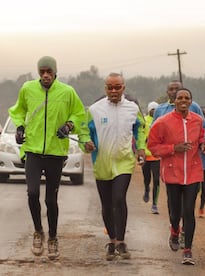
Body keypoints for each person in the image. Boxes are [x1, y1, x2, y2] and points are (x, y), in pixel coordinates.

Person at [8, 56, 88, 260]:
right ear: (38, 72)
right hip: (33, 151)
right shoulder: (27, 89)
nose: (45, 75)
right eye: (42, 71)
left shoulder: (67, 92)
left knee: (50, 199)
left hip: (55, 152)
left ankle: (53, 237)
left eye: (49, 72)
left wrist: (69, 126)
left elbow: (79, 114)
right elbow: (18, 111)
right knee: (32, 193)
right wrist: (19, 127)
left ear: (55, 73)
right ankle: (38, 231)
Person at [82, 72, 146, 261]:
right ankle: (112, 240)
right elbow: (84, 132)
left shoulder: (132, 109)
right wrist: (86, 142)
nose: (114, 91)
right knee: (107, 204)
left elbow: (140, 129)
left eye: (117, 87)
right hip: (101, 162)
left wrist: (141, 148)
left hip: (124, 161)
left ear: (123, 88)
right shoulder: (94, 109)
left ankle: (121, 241)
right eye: (110, 87)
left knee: (119, 198)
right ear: (105, 89)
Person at [148, 88, 205, 265]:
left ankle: (188, 250)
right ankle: (174, 229)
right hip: (172, 172)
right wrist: (173, 148)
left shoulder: (197, 120)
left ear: (191, 101)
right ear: (174, 101)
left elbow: (202, 138)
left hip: (193, 171)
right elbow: (153, 146)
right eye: (179, 98)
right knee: (175, 211)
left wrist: (203, 145)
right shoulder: (163, 122)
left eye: (187, 98)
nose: (183, 100)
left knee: (188, 210)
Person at [142, 101, 161, 214]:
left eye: (156, 110)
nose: (154, 111)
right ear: (149, 110)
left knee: (156, 180)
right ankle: (146, 188)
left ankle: (154, 204)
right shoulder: (145, 120)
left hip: (157, 156)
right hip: (145, 155)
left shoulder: (161, 121)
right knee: (147, 178)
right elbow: (140, 134)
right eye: (152, 109)